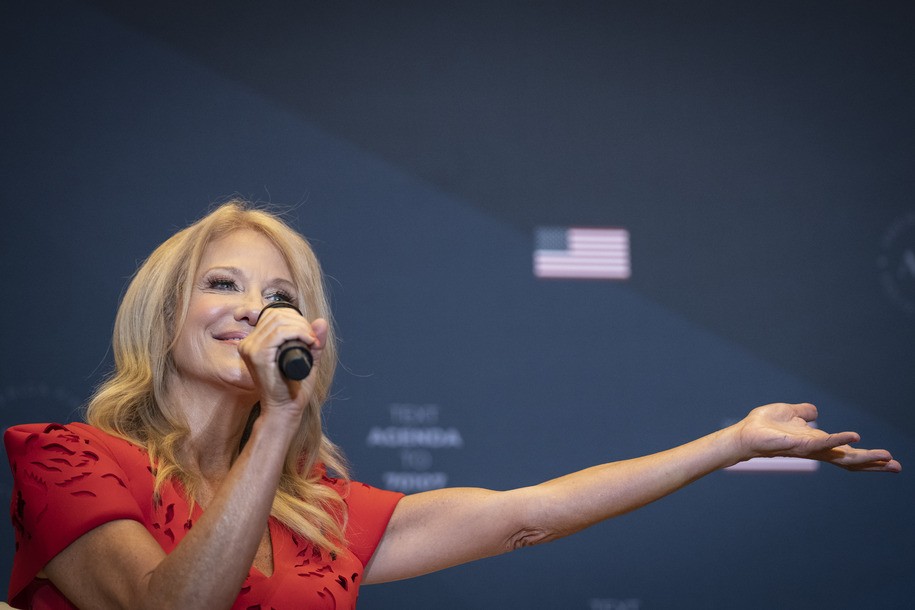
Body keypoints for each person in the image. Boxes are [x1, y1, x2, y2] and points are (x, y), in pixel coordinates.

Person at [4, 200, 901, 610]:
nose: (253, 306)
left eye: (278, 294)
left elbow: (524, 518)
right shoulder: (68, 460)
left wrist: (732, 442)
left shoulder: (314, 513)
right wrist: (280, 421)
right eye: (224, 283)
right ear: (164, 321)